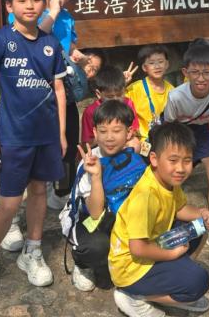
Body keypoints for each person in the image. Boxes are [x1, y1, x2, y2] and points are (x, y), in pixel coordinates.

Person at [0, 0, 68, 293]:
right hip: (12, 137)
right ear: (9, 6)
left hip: (45, 136)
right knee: (10, 203)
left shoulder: (50, 43)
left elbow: (59, 90)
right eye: (22, 0)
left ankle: (33, 251)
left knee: (39, 192)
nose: (30, 6)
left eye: (36, 0)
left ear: (44, 4)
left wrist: (61, 133)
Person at [5, 0, 85, 230]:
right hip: (31, 95)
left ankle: (54, 191)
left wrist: (78, 56)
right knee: (23, 157)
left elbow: (67, 45)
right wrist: (51, 11)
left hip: (62, 90)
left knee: (66, 141)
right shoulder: (26, 12)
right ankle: (10, 213)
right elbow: (32, 41)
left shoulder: (67, 16)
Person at [109, 122, 209, 317]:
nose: (180, 168)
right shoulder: (145, 196)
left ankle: (174, 278)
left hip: (153, 244)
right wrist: (172, 255)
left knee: (198, 227)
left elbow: (179, 208)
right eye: (173, 160)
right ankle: (135, 295)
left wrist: (202, 213)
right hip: (130, 268)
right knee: (198, 282)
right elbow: (138, 248)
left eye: (187, 161)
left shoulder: (168, 181)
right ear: (154, 159)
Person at [161, 38, 209, 261]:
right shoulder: (176, 96)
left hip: (204, 132)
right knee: (169, 179)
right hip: (178, 132)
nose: (201, 78)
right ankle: (164, 223)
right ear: (185, 72)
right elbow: (169, 129)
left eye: (207, 73)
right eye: (195, 72)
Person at [64, 100, 148, 291]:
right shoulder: (89, 161)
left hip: (120, 217)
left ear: (129, 132)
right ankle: (83, 264)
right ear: (95, 133)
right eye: (103, 131)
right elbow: (94, 213)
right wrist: (95, 176)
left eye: (117, 131)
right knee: (97, 246)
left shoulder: (134, 157)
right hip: (89, 217)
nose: (109, 137)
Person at [80, 65, 141, 149]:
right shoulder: (91, 111)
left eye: (119, 95)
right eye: (110, 97)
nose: (116, 100)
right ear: (98, 94)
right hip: (100, 147)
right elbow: (86, 145)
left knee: (135, 144)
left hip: (123, 143)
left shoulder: (128, 103)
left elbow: (135, 130)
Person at [125, 44, 175, 141]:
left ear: (167, 64)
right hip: (140, 140)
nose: (157, 66)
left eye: (160, 62)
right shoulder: (134, 89)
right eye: (151, 63)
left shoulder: (172, 91)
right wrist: (122, 85)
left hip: (164, 139)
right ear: (144, 67)